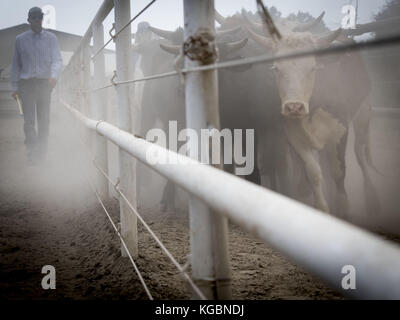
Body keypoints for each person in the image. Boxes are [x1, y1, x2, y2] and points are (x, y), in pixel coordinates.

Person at [11, 7, 62, 165]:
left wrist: (54, 75)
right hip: (26, 85)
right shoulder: (20, 39)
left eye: (39, 17)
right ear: (29, 21)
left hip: (44, 83)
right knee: (29, 120)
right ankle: (33, 152)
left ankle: (42, 153)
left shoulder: (51, 38)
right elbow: (16, 65)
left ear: (42, 19)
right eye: (33, 18)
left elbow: (57, 59)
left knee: (43, 119)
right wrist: (14, 87)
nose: (37, 20)